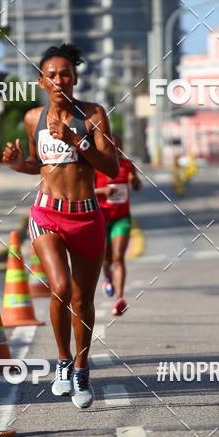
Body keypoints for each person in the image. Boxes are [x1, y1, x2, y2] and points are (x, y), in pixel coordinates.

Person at [2, 42, 119, 409]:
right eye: (51, 75)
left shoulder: (94, 115)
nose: (58, 80)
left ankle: (82, 369)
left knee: (83, 299)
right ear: (41, 80)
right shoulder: (33, 118)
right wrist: (19, 163)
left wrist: (76, 139)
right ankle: (63, 362)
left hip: (86, 216)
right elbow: (40, 165)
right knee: (61, 287)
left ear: (75, 78)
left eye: (64, 74)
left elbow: (111, 167)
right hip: (47, 213)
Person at [94, 135, 142, 316]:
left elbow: (136, 184)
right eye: (111, 146)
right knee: (105, 260)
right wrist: (103, 191)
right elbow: (86, 191)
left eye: (117, 145)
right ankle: (107, 277)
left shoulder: (127, 165)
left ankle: (119, 298)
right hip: (102, 218)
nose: (115, 149)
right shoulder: (96, 167)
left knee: (118, 257)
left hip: (122, 218)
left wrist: (135, 183)